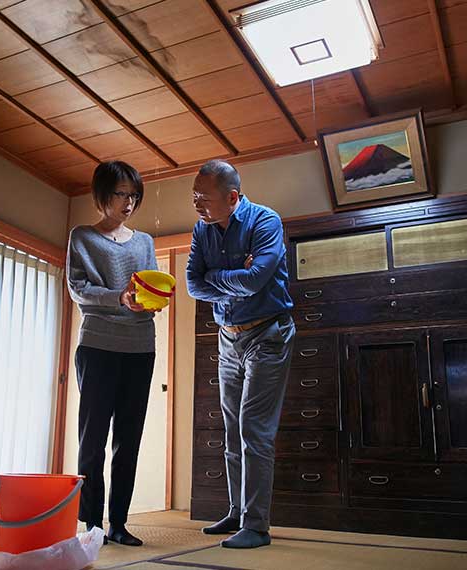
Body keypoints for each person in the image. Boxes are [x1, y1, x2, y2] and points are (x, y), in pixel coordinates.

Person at [186, 160, 295, 549]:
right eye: (194, 196)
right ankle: (237, 511)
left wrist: (217, 278)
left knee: (254, 429)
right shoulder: (202, 229)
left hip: (268, 334)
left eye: (205, 198)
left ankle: (257, 525)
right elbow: (192, 285)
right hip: (227, 338)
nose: (197, 205)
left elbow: (256, 280)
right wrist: (230, 279)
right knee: (231, 430)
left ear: (232, 197)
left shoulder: (266, 222)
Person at [67, 161, 159, 547]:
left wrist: (153, 301)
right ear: (102, 195)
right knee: (92, 440)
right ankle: (90, 524)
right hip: (99, 346)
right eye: (121, 193)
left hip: (140, 347)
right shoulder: (83, 237)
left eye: (133, 195)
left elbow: (154, 287)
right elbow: (78, 288)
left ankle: (118, 523)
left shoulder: (145, 243)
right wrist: (119, 297)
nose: (128, 202)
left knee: (129, 440)